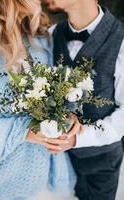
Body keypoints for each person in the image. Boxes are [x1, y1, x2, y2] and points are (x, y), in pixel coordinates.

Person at [0, 1, 77, 200]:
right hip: (1, 184)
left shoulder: (42, 37)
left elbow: (56, 94)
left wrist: (68, 117)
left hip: (51, 175)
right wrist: (23, 130)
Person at [45, 0, 124, 199]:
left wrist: (78, 138)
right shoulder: (50, 34)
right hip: (56, 161)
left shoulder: (121, 41)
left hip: (101, 162)